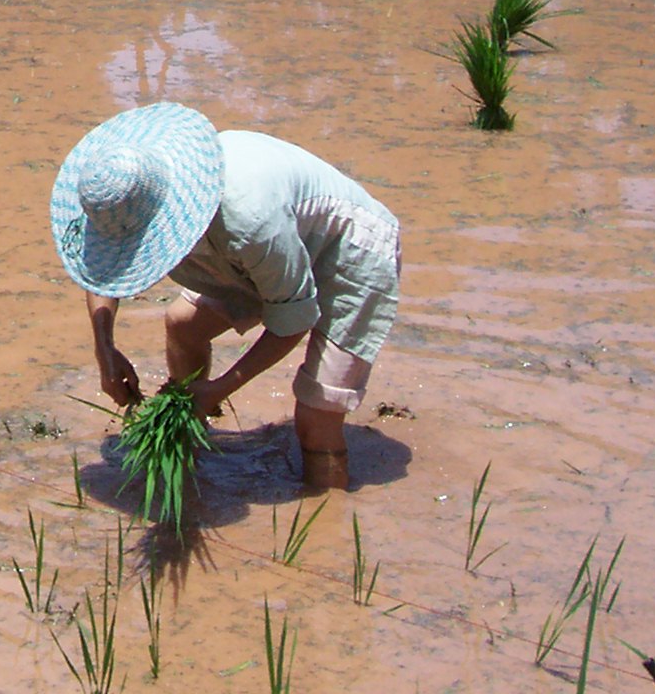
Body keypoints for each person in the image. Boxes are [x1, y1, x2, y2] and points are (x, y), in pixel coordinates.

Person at [52, 103, 401, 493]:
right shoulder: (122, 194)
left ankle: (326, 525)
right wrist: (105, 349)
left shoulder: (249, 222)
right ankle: (190, 449)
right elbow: (102, 268)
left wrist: (220, 388)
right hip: (263, 250)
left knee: (317, 420)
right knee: (183, 324)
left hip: (347, 250)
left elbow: (293, 321)